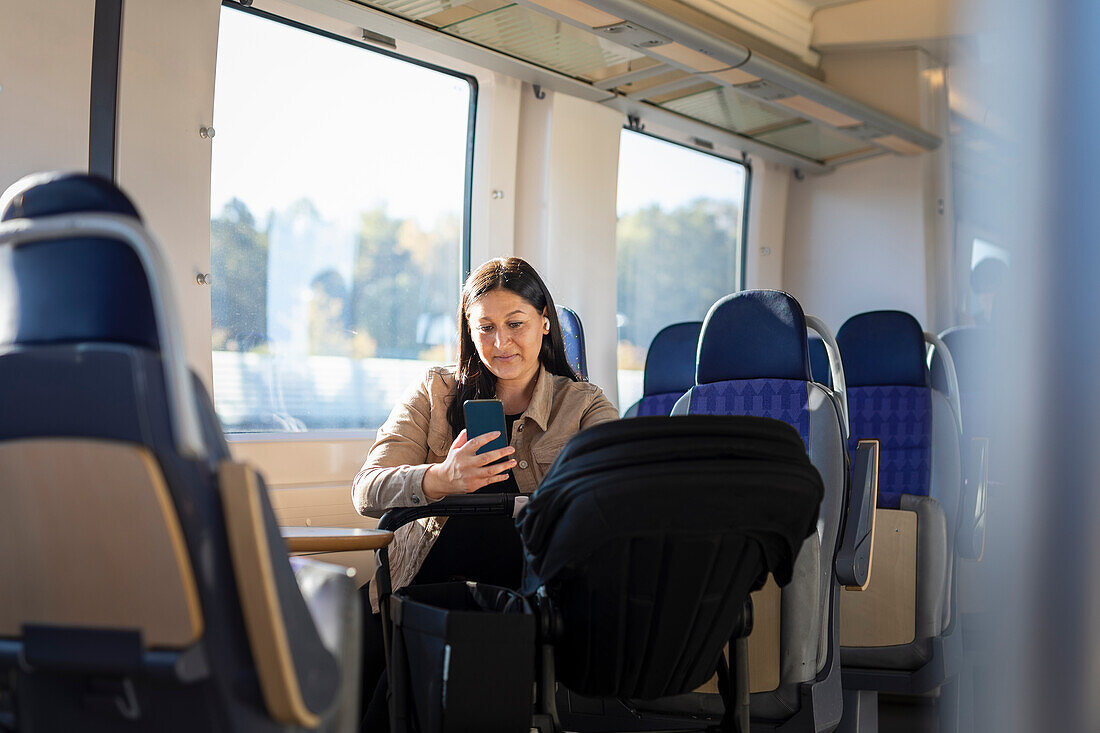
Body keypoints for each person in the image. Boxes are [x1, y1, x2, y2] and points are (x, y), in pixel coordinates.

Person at [351, 257, 619, 729]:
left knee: (402, 678)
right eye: (486, 327)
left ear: (544, 322)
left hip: (521, 584)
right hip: (421, 572)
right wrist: (440, 478)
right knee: (344, 664)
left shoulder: (584, 404)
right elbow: (367, 489)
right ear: (469, 330)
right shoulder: (435, 391)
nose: (501, 343)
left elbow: (613, 493)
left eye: (515, 324)